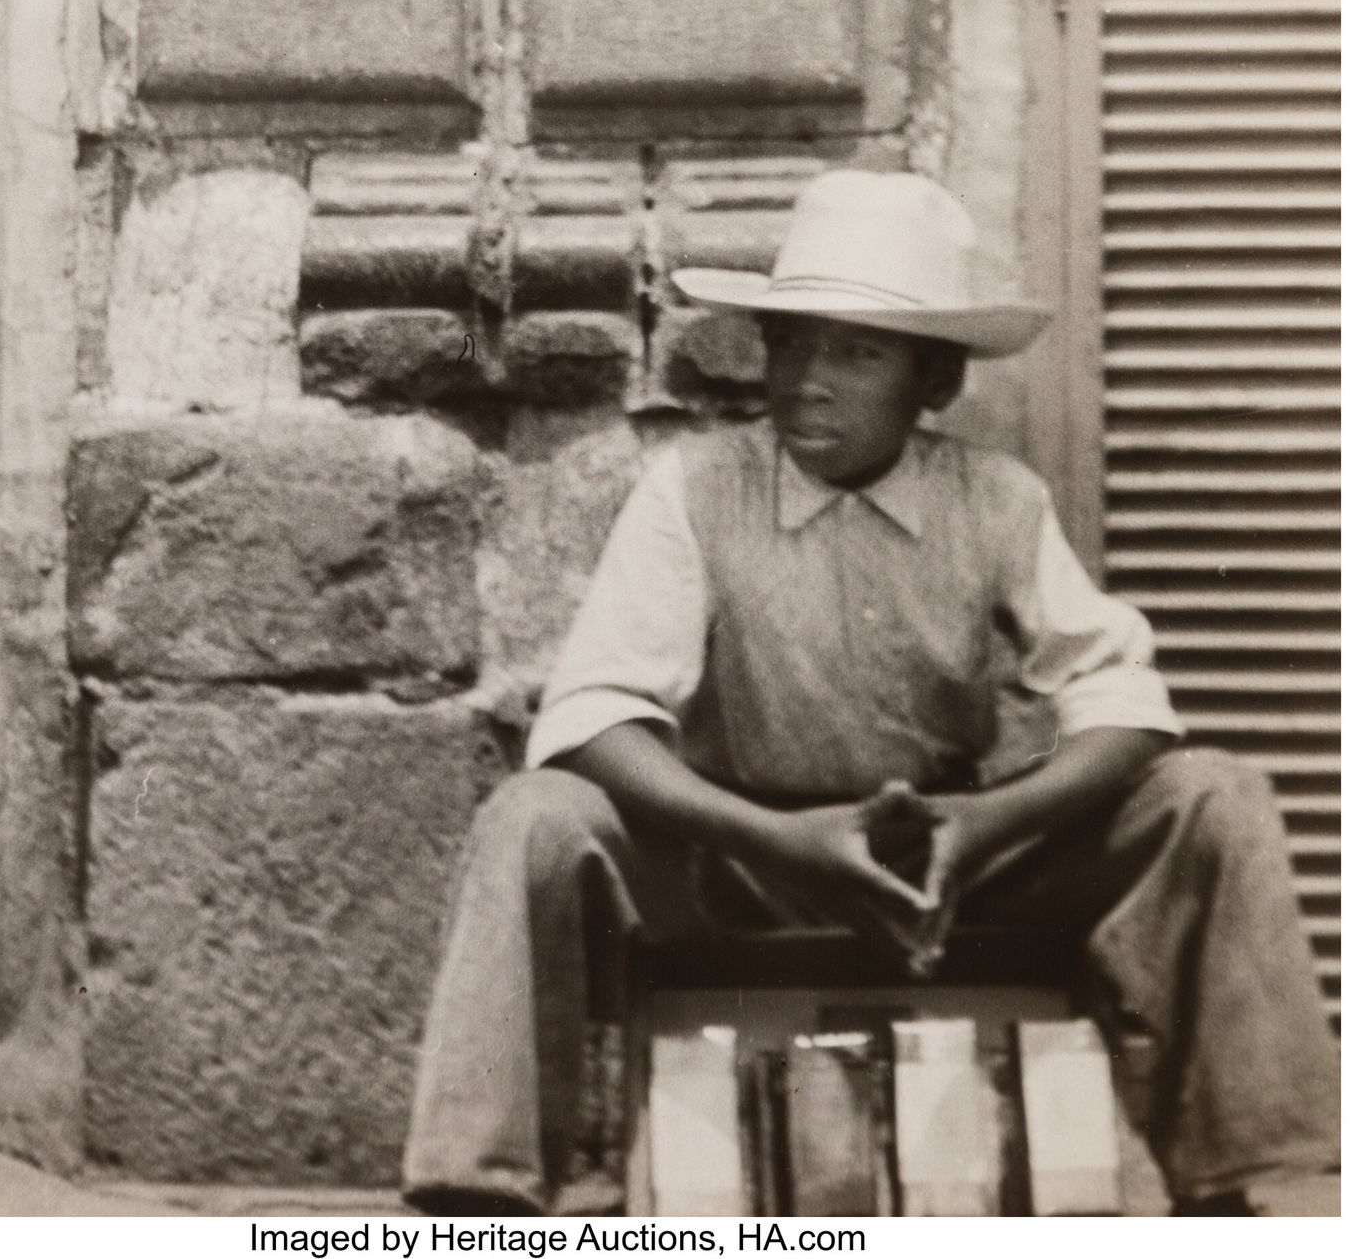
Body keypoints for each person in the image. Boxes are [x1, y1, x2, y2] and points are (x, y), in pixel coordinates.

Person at [403, 171, 1340, 1217]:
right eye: (793, 343)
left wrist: (982, 825)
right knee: (535, 815)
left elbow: (1122, 700)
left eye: (856, 353)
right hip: (740, 860)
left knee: (1211, 795)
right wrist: (777, 840)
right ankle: (477, 1201)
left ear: (931, 385)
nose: (808, 381)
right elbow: (593, 716)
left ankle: (1261, 1190)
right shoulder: (695, 488)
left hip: (943, 859)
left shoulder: (993, 499)